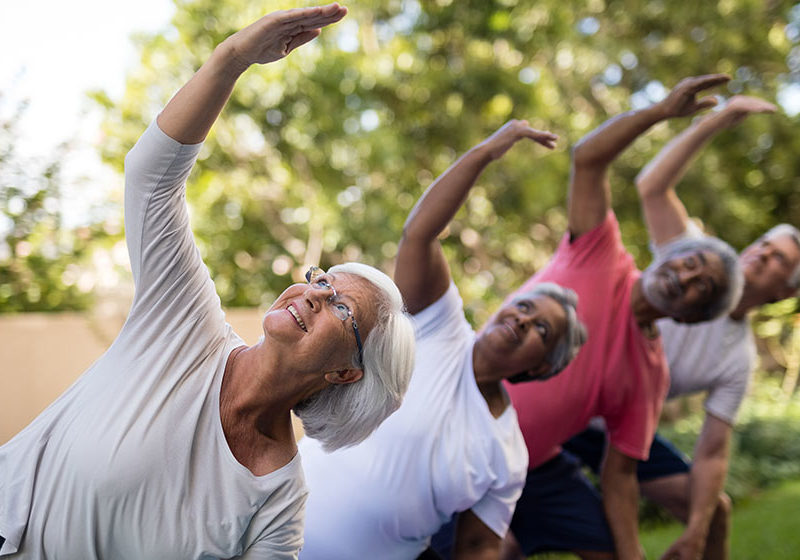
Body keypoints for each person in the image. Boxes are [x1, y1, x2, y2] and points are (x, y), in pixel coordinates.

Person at [0, 5, 417, 559]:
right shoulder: (186, 326)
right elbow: (150, 180)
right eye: (322, 280)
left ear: (345, 371)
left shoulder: (278, 507)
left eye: (342, 308)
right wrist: (234, 58)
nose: (315, 293)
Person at [297, 120, 587, 559]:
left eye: (542, 330)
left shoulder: (507, 454)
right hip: (273, 531)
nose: (524, 321)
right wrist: (487, 151)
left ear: (542, 366)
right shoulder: (439, 325)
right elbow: (420, 233)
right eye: (525, 307)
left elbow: (477, 547)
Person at [500, 75, 745, 560]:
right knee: (493, 551)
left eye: (703, 290)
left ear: (694, 318)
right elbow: (588, 158)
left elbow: (620, 475)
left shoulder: (650, 375)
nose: (686, 279)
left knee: (611, 552)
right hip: (460, 428)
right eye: (690, 263)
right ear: (672, 254)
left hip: (533, 465)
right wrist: (659, 113)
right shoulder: (600, 251)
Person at [563, 94, 800, 560]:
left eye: (778, 261)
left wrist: (694, 531)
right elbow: (652, 185)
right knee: (518, 536)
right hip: (567, 401)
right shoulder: (695, 261)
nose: (760, 254)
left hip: (623, 428)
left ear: (784, 293)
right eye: (763, 244)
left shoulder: (736, 359)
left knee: (715, 515)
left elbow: (712, 452)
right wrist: (717, 120)